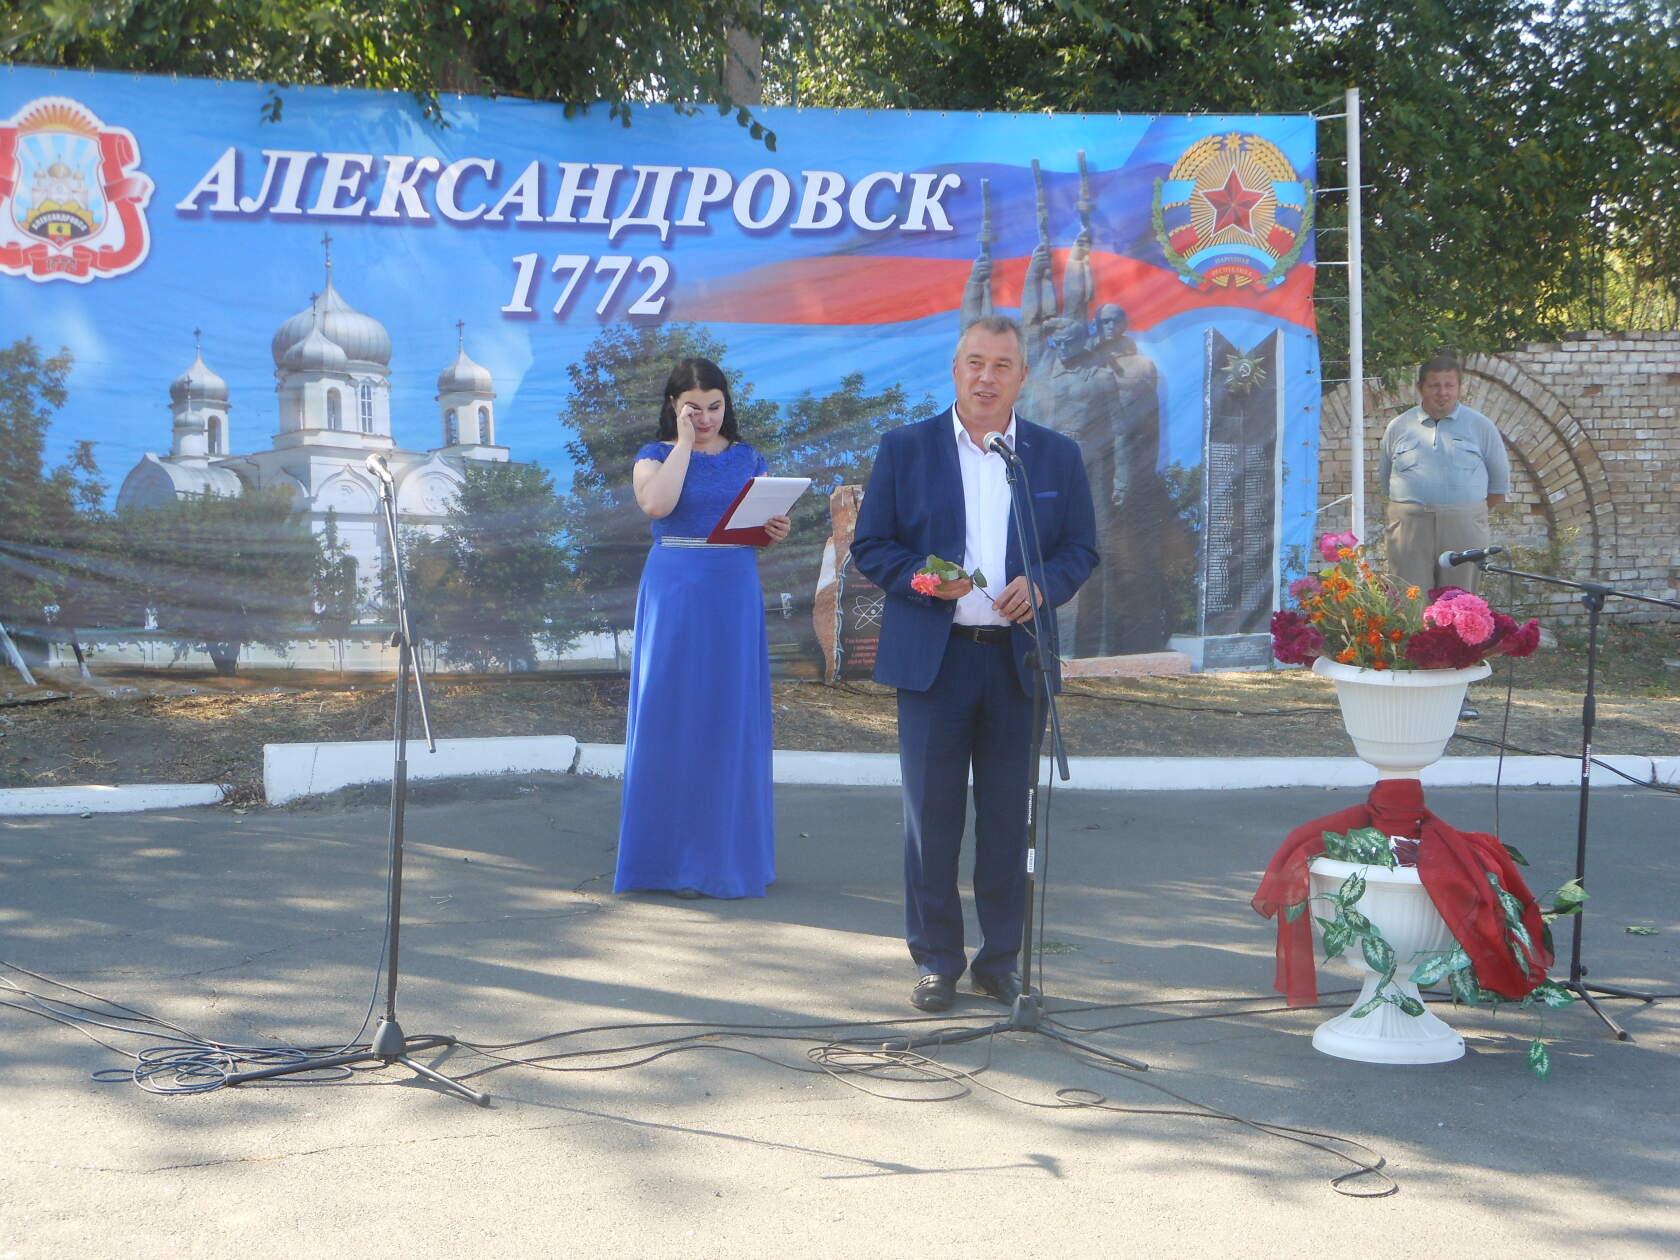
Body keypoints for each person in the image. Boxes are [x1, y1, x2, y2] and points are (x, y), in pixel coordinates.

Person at [851, 316, 1099, 1012]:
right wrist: (931, 581)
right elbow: (872, 545)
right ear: (955, 371)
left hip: (1017, 667)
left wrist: (1045, 583)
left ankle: (1000, 962)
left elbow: (1082, 546)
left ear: (1023, 377)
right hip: (936, 663)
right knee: (930, 822)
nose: (986, 377)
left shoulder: (1052, 456)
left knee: (1005, 821)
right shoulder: (905, 449)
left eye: (1002, 366)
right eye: (974, 363)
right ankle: (936, 961)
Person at [613, 358, 790, 900]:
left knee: (728, 715)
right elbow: (658, 504)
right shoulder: (654, 456)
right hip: (675, 587)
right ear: (674, 406)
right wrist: (684, 443)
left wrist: (771, 530)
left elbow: (749, 527)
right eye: (694, 407)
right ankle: (661, 862)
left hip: (733, 587)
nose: (707, 416)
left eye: (715, 406)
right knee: (670, 710)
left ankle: (726, 861)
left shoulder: (749, 457)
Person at [1378, 354, 1510, 596]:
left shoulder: (1480, 426)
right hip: (1409, 528)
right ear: (1420, 388)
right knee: (1408, 604)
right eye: (1434, 385)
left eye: (1449, 385)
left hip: (1464, 527)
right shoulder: (1398, 426)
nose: (1442, 392)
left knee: (1460, 606)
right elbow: (1386, 481)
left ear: (1459, 388)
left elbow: (1499, 485)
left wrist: (1462, 514)